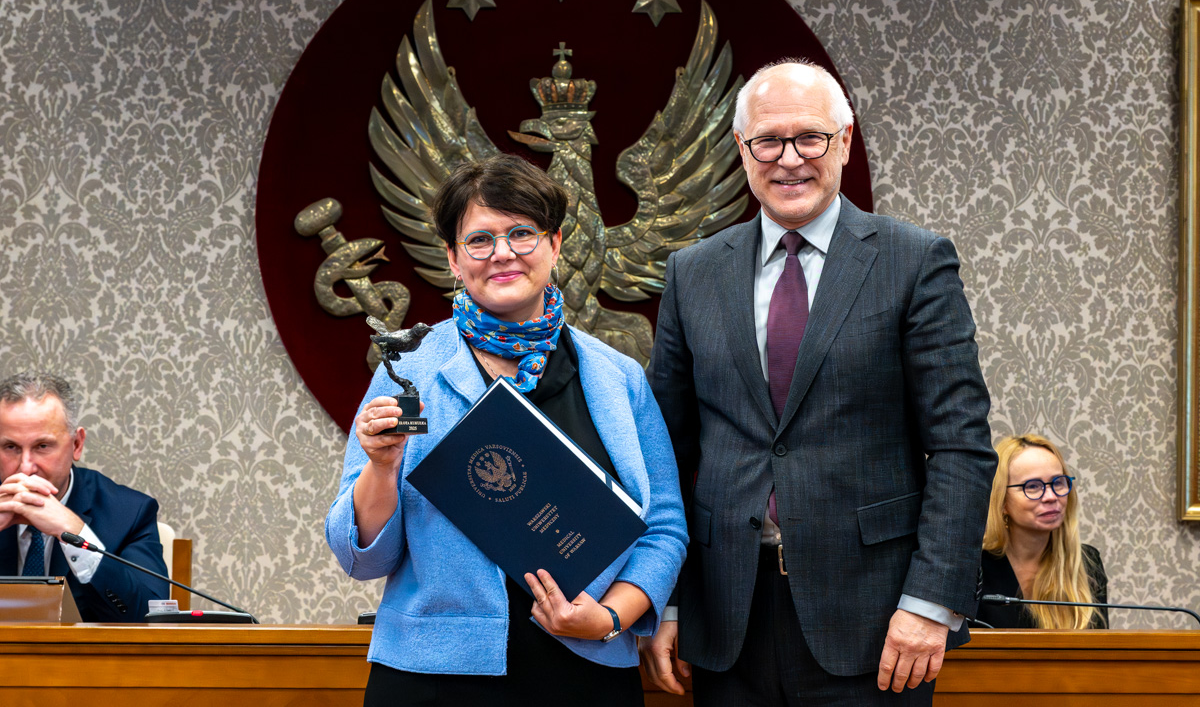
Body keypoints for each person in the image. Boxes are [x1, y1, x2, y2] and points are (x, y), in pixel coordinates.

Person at [641, 59, 997, 705]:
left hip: (876, 623)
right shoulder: (692, 273)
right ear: (742, 151)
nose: (789, 160)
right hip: (725, 622)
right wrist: (662, 600)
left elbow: (960, 446)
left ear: (845, 141)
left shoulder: (913, 261)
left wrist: (930, 601)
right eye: (768, 141)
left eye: (809, 137)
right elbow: (665, 454)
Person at [325, 153, 687, 707]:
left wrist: (611, 616)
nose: (502, 254)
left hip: (585, 669)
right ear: (451, 257)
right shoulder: (410, 372)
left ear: (556, 245)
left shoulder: (619, 378)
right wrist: (382, 466)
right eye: (479, 240)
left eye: (522, 233)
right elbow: (364, 559)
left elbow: (663, 527)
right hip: (433, 677)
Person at [0, 372, 169, 620]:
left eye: (42, 446)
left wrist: (74, 531)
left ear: (77, 444)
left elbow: (149, 617)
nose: (26, 467)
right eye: (10, 447)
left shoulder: (129, 513)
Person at [976, 433, 1107, 629]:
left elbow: (1101, 651)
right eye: (1033, 486)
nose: (1051, 496)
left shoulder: (1087, 562)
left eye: (1058, 483)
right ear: (1002, 500)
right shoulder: (974, 566)